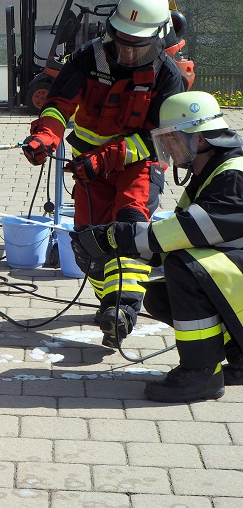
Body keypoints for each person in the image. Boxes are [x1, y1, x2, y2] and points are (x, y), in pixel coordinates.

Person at [22, 0, 184, 349]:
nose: (127, 52)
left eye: (138, 46)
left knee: (128, 229)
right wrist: (45, 137)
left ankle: (122, 309)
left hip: (138, 167)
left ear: (159, 38)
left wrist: (105, 158)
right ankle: (107, 301)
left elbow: (162, 138)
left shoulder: (167, 75)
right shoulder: (87, 57)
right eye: (121, 42)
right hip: (89, 170)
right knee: (87, 243)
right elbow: (58, 105)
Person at [70, 91, 243, 402]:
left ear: (199, 139)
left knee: (187, 268)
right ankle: (239, 357)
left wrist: (117, 237)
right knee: (162, 291)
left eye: (172, 139)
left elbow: (189, 229)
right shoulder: (212, 171)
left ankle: (201, 374)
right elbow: (177, 237)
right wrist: (120, 247)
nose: (168, 149)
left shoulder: (233, 177)